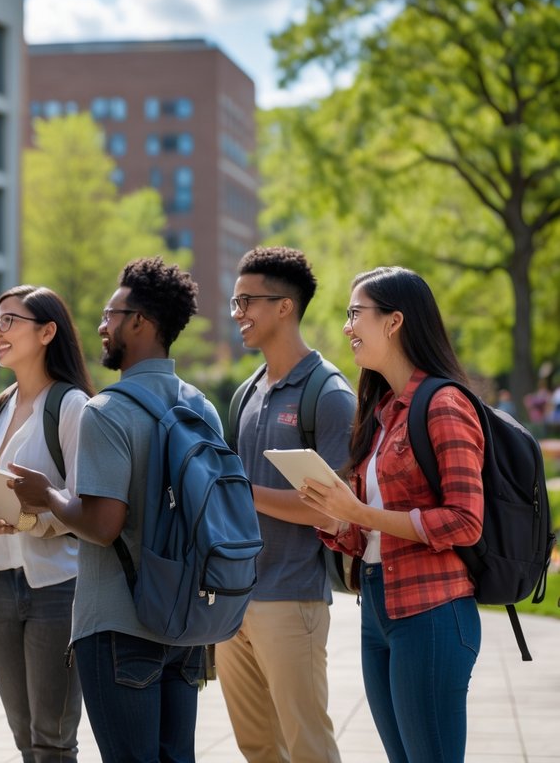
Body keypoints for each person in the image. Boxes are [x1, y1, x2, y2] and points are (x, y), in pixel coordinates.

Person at [12, 256, 212, 763]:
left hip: (119, 623)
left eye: (110, 315)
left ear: (140, 322)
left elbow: (102, 525)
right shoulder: (201, 407)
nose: (102, 327)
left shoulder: (108, 411)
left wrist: (48, 495)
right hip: (185, 622)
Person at [301, 266, 484, 763]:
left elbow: (465, 520)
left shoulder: (443, 404)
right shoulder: (381, 413)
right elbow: (373, 530)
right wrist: (338, 519)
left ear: (394, 321)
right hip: (377, 606)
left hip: (432, 612)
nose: (347, 328)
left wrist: (360, 511)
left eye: (354, 314)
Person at [215, 247, 352, 763]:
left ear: (285, 306)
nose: (237, 313)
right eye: (235, 302)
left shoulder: (328, 393)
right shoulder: (246, 392)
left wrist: (241, 491)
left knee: (308, 746)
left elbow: (333, 510)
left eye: (246, 301)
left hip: (293, 598)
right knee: (258, 748)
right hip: (234, 597)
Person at [0, 285, 93, 762]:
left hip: (56, 587)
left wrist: (22, 521)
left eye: (9, 322)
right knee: (23, 735)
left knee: (53, 738)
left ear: (47, 332)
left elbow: (86, 508)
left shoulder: (72, 406)